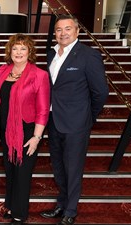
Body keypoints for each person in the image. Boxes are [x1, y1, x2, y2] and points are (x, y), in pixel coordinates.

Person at [40, 15, 109, 225]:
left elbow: (101, 92)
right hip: (53, 120)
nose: (63, 33)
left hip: (76, 123)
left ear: (77, 31)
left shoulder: (88, 55)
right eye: (59, 30)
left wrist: (87, 116)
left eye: (67, 29)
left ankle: (71, 209)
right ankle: (61, 204)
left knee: (73, 167)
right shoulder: (51, 54)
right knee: (59, 166)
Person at [0, 34, 50, 225]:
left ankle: (20, 212)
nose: (18, 52)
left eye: (23, 48)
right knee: (10, 170)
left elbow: (43, 109)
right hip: (6, 130)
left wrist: (36, 137)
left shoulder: (39, 75)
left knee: (23, 172)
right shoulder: (2, 71)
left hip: (27, 131)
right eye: (15, 48)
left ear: (30, 52)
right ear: (10, 51)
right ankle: (10, 205)